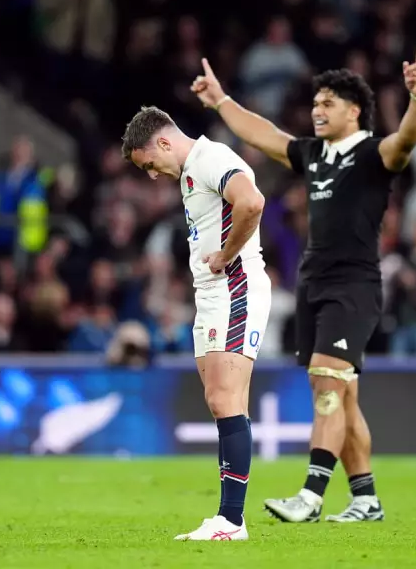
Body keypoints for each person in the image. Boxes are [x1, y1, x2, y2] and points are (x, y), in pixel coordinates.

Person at [190, 47, 416, 522]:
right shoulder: (313, 154)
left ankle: (312, 495)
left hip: (354, 285)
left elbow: (406, 139)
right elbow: (264, 135)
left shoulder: (373, 153)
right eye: (315, 103)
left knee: (327, 381)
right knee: (344, 393)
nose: (317, 111)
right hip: (313, 283)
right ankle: (365, 499)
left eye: (328, 104)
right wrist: (221, 101)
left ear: (353, 110)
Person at [122, 106, 271, 541]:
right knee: (219, 399)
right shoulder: (191, 172)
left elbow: (253, 202)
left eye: (150, 164)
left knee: (226, 399)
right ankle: (227, 517)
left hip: (235, 289)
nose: (152, 175)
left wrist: (225, 255)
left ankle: (231, 520)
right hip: (211, 296)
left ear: (164, 142)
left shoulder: (212, 159)